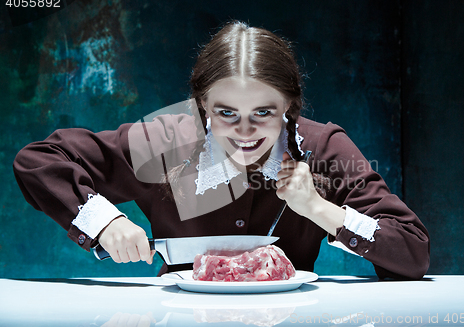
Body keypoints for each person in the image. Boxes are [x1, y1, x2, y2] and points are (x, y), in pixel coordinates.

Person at [13, 21, 430, 280]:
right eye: (227, 112)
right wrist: (103, 221)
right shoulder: (167, 140)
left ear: (289, 105)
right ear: (202, 107)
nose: (245, 131)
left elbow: (412, 253)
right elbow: (38, 160)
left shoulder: (321, 146)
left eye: (263, 112)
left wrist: (320, 209)